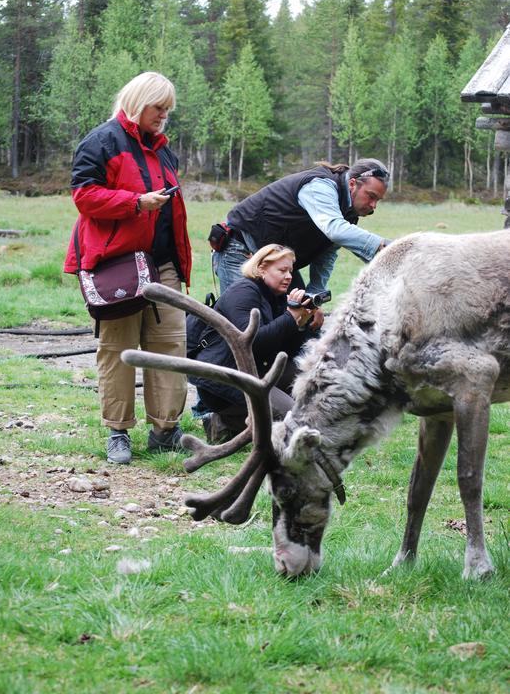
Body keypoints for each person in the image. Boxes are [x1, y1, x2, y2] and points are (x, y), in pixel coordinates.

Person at [64, 72, 192, 464]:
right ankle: (117, 431)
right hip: (117, 264)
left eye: (168, 111)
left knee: (170, 345)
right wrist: (135, 202)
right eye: (159, 108)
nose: (163, 117)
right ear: (139, 102)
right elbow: (84, 196)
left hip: (163, 264)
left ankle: (165, 430)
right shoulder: (101, 141)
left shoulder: (163, 150)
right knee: (118, 348)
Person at [190, 244, 324, 442]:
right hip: (226, 378)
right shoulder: (243, 292)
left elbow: (286, 352)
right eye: (282, 270)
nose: (289, 276)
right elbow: (251, 344)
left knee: (314, 383)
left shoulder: (276, 296)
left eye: (290, 270)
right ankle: (227, 422)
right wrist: (290, 317)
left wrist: (302, 324)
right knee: (290, 417)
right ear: (261, 268)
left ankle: (225, 423)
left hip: (257, 370)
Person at [213, 158, 390, 294]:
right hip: (239, 249)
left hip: (276, 262)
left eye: (378, 200)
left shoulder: (348, 212)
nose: (374, 206)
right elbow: (334, 230)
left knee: (298, 325)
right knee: (240, 325)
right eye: (371, 196)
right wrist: (386, 247)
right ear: (352, 184)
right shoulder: (320, 186)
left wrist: (315, 293)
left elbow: (326, 252)